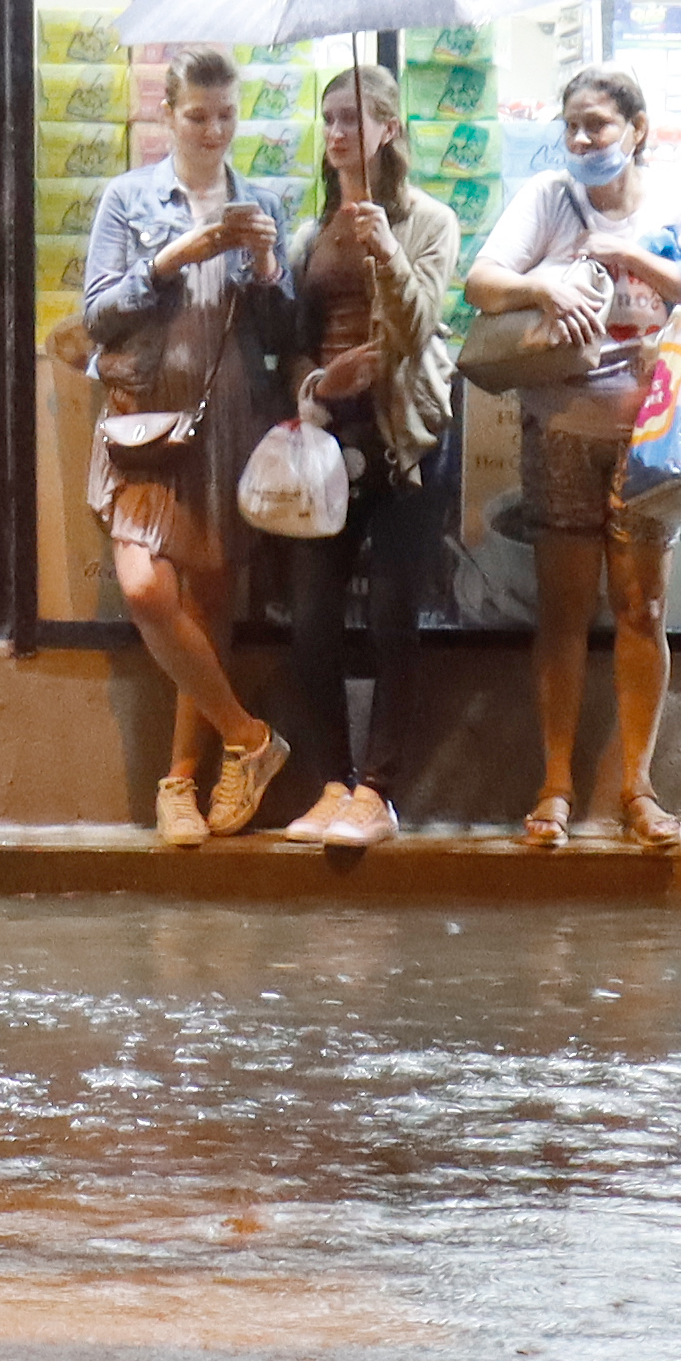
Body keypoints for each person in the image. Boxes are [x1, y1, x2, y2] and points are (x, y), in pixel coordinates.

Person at [470, 65, 681, 845]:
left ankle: (638, 788)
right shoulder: (545, 197)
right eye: (572, 126)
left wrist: (637, 261)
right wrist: (545, 289)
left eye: (598, 126)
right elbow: (481, 282)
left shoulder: (679, 202)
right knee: (564, 612)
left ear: (637, 129)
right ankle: (555, 786)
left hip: (653, 438)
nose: (581, 141)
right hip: (561, 428)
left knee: (642, 610)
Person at [71, 47, 296, 834]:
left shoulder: (260, 200)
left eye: (227, 116)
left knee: (209, 599)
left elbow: (281, 332)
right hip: (144, 416)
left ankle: (184, 783)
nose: (213, 131)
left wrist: (266, 261)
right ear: (168, 114)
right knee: (144, 587)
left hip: (230, 406)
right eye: (198, 115)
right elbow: (98, 313)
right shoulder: (130, 199)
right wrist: (171, 258)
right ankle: (250, 736)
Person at [259, 60, 469, 845]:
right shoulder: (311, 233)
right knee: (311, 619)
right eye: (329, 118)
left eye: (353, 117)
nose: (338, 131)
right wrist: (317, 378)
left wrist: (386, 251)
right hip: (326, 445)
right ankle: (330, 783)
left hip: (405, 442)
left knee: (391, 615)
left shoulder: (428, 223)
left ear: (389, 128)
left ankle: (377, 791)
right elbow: (290, 346)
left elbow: (415, 332)